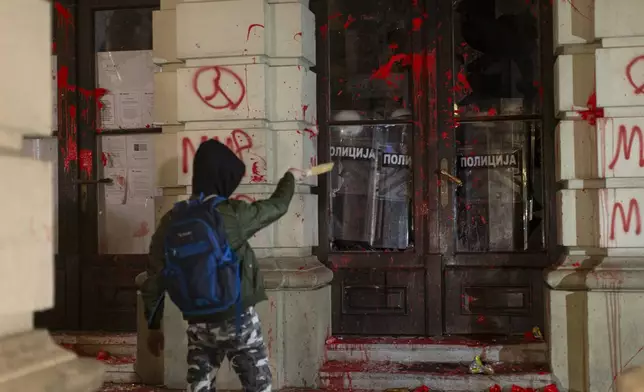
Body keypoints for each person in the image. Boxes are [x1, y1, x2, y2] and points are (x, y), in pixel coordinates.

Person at [140, 139, 296, 392]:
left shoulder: (172, 219)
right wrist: (290, 177)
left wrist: (153, 325)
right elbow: (277, 206)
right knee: (258, 385)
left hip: (198, 321)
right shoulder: (229, 214)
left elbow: (154, 276)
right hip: (237, 317)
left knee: (200, 384)